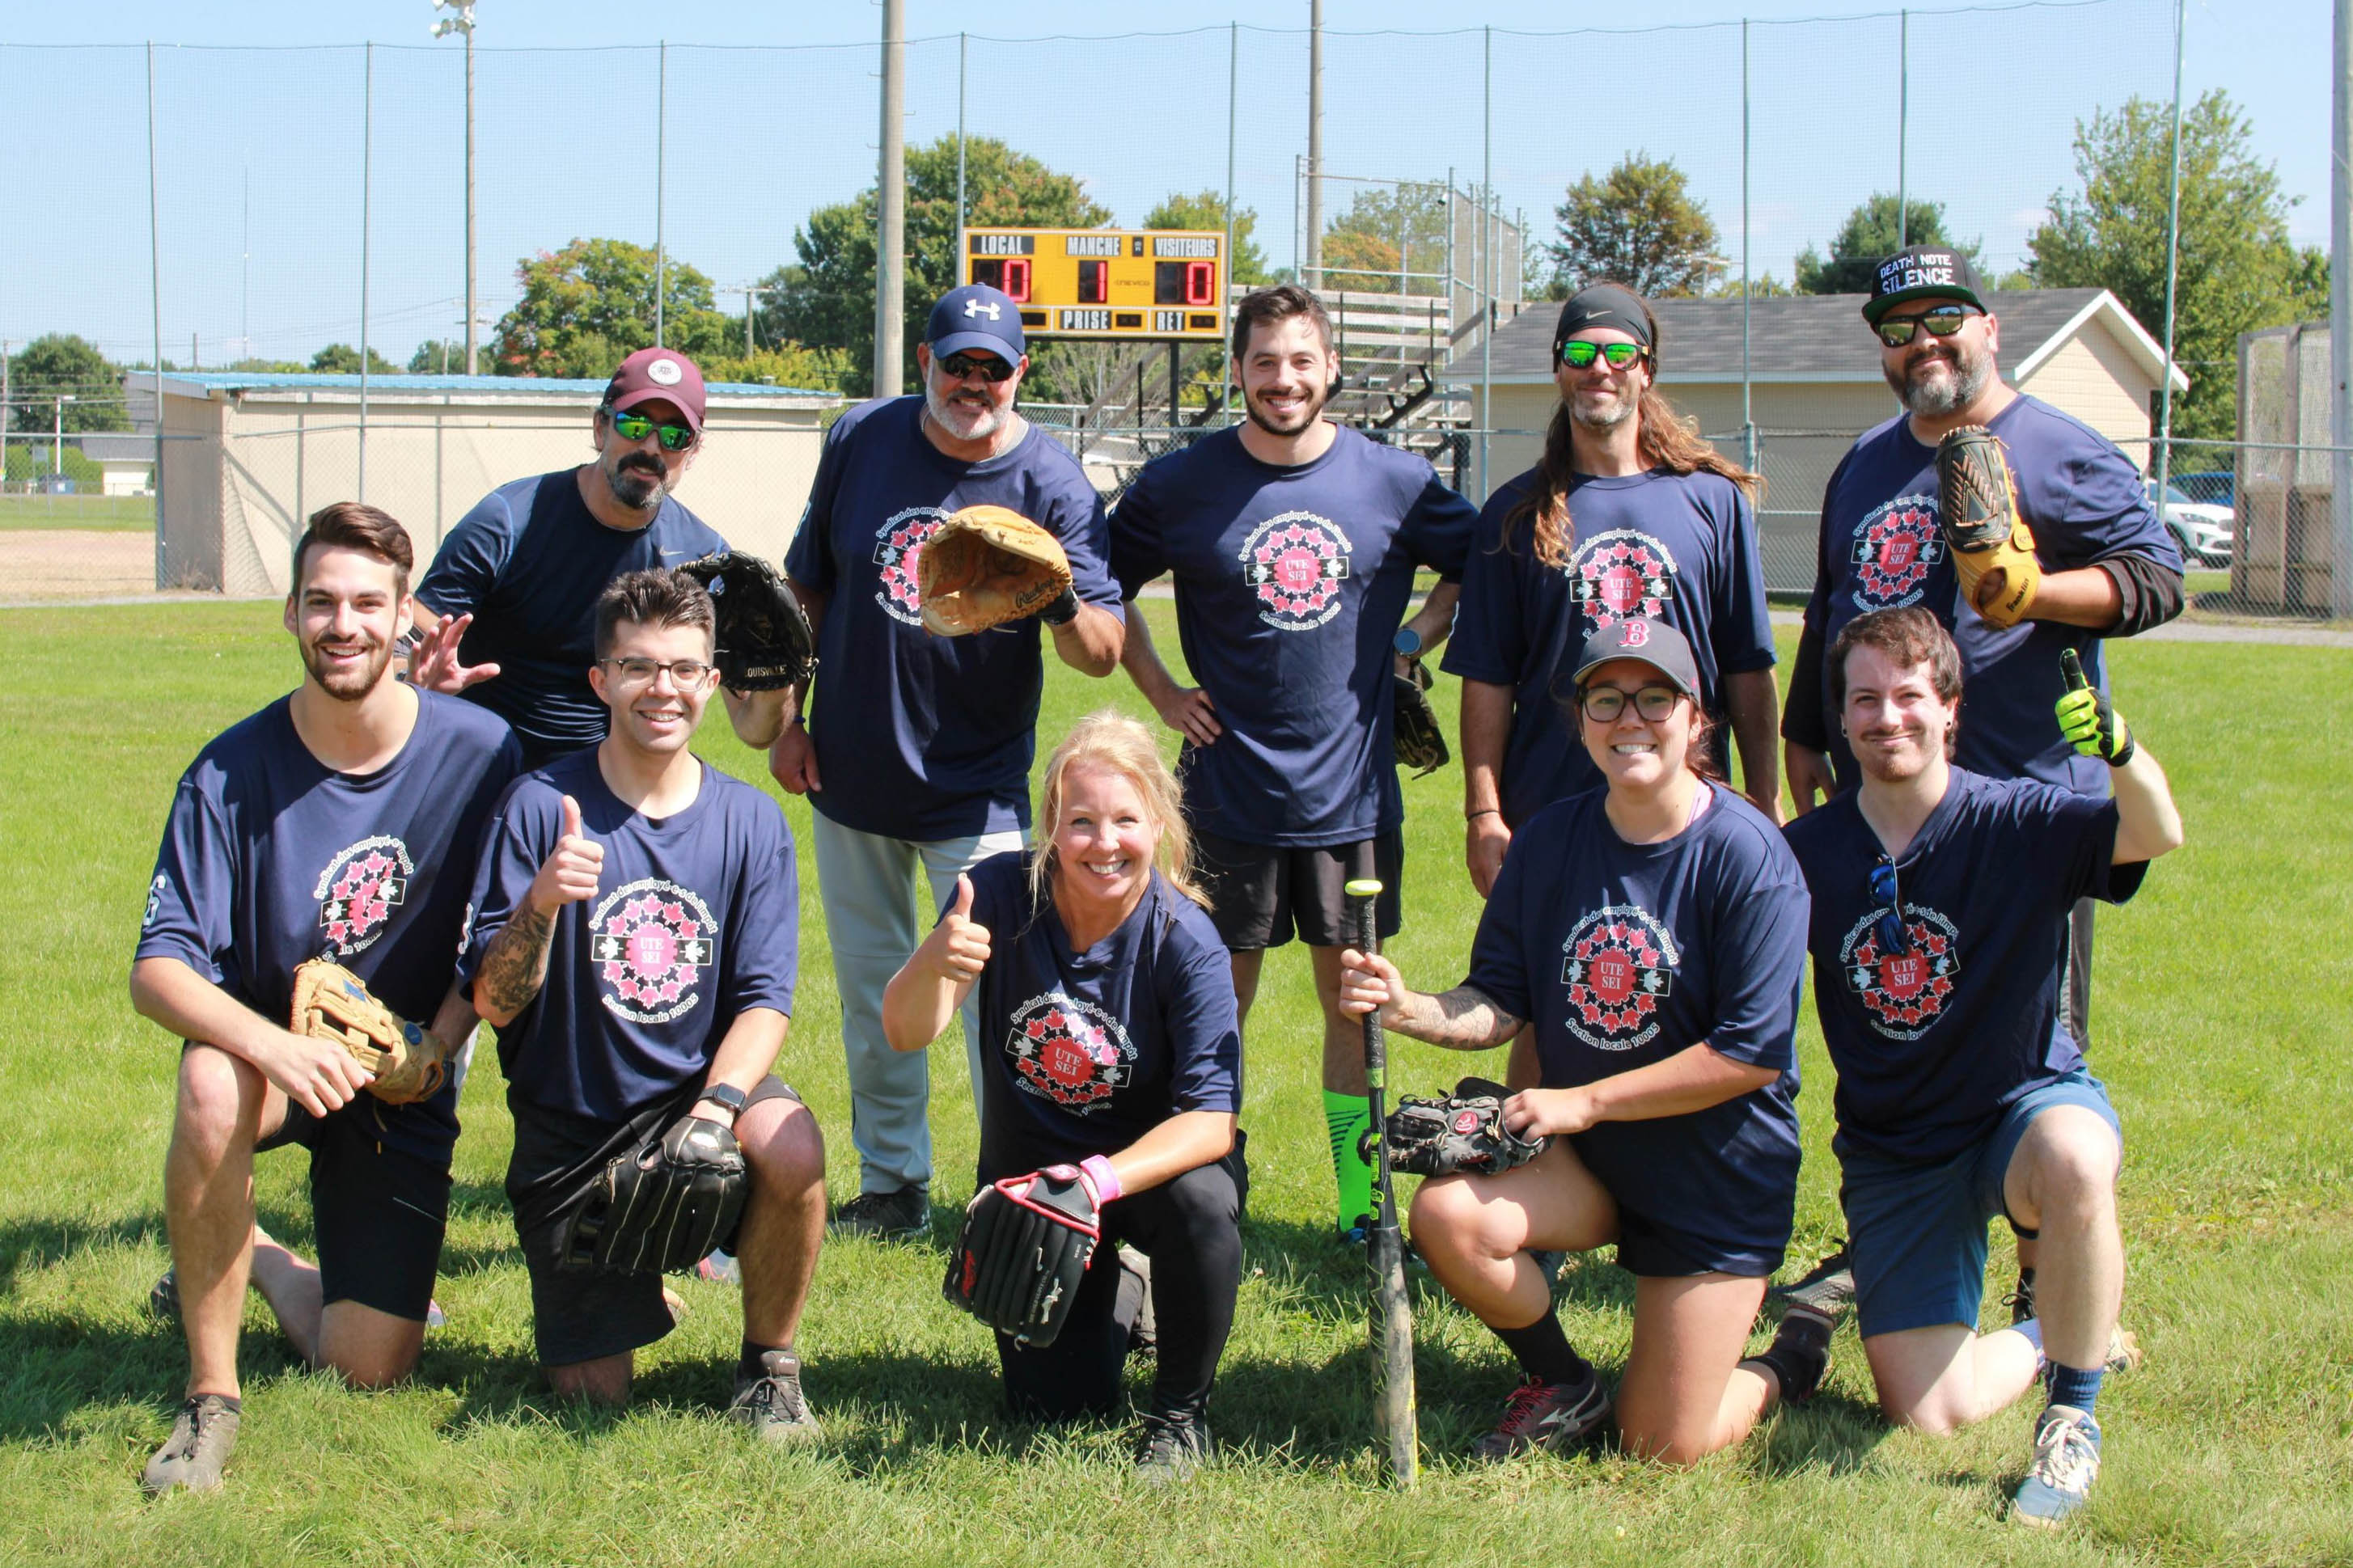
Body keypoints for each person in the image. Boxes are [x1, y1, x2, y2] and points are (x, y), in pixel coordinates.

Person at [1778, 246, 2186, 1320]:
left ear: (1990, 326)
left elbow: (2156, 578)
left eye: (1945, 318)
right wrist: (1805, 731)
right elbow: (1830, 606)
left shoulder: (2055, 451)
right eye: (1900, 326)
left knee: (2027, 1043)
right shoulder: (1865, 462)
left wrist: (2038, 589)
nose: (1925, 343)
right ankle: (1900, 1233)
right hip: (1885, 797)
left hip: (2020, 803)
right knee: (1889, 1010)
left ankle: (2046, 1275)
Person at [1338, 619, 1817, 1464]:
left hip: (1713, 1179)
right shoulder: (1552, 840)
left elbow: (1749, 1054)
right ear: (1582, 717)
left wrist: (1583, 1099)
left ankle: (1786, 1356)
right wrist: (1406, 1004)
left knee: (1663, 1445)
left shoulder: (1749, 856)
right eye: (1605, 698)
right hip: (1593, 1165)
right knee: (1447, 1213)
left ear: (1694, 717)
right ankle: (1562, 1378)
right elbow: (1497, 1002)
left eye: (1653, 697)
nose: (1628, 718)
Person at [130, 503, 523, 1494]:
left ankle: (247, 1250)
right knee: (211, 1086)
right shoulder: (229, 769)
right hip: (274, 1063)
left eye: (364, 603)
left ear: (406, 619)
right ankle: (209, 1398)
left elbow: (498, 943)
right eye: (318, 603)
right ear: (292, 614)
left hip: (395, 1082)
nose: (340, 624)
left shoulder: (480, 752)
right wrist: (275, 1048)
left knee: (369, 1368)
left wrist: (433, 1043)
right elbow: (160, 968)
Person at [1781, 606, 2182, 1527]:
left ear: (1950, 708)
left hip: (2017, 1112)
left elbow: (2151, 832)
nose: (1888, 719)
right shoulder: (1802, 856)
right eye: (1864, 700)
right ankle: (2065, 1333)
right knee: (1927, 1410)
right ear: (1839, 719)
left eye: (1910, 696)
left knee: (2078, 1156)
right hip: (1897, 1147)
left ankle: (2071, 1417)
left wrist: (2119, 750)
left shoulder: (2016, 818)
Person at [1111, 282, 1473, 1240]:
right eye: (1264, 361)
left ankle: (1361, 1207)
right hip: (1222, 794)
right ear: (1237, 371)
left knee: (1352, 1007)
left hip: (1348, 799)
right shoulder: (1182, 482)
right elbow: (1094, 579)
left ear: (1331, 369)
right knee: (1212, 1005)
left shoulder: (1392, 480)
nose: (1283, 379)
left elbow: (1474, 561)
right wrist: (1158, 689)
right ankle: (1209, 1186)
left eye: (1301, 360)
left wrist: (1414, 636)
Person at [768, 283, 1126, 1241]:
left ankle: (1005, 1187)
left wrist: (1051, 592)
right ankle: (891, 1182)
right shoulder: (861, 439)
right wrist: (790, 719)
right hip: (846, 775)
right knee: (874, 995)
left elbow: (1100, 648)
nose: (972, 383)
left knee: (995, 1000)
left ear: (1020, 375)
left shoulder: (1051, 480)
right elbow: (808, 587)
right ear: (923, 362)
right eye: (954, 363)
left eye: (992, 368)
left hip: (975, 789)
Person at [462, 568, 827, 1436]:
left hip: (690, 1108)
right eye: (636, 667)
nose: (660, 688)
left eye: (681, 668)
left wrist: (717, 1107)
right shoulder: (538, 809)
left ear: (711, 681)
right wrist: (542, 902)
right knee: (593, 1401)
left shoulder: (750, 822)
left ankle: (769, 1368)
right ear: (601, 681)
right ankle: (633, 1285)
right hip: (571, 1135)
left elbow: (765, 999)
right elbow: (494, 1001)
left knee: (792, 1142)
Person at [881, 711, 1244, 1482]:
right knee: (1056, 1408)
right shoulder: (997, 896)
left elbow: (1211, 1122)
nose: (1103, 843)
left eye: (1124, 820)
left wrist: (1098, 1181)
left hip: (1144, 1176)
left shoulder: (1186, 942)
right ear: (1049, 826)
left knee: (1204, 1204)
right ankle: (1124, 1290)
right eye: (1080, 822)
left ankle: (1180, 1414)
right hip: (1033, 1186)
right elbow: (905, 1032)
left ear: (1159, 824)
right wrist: (935, 965)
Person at [1446, 281, 1780, 902]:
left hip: (1689, 811)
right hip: (1549, 813)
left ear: (1645, 371)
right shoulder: (1514, 513)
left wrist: (1764, 798)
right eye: (1578, 354)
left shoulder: (1711, 502)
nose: (1598, 368)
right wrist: (1483, 813)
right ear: (1556, 368)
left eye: (1618, 353)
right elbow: (1487, 677)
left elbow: (1746, 666)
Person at [409, 346, 777, 766]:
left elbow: (753, 729)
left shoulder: (703, 556)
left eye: (676, 435)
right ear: (601, 427)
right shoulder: (509, 521)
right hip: (485, 767)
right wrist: (416, 679)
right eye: (634, 424)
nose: (652, 447)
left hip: (616, 786)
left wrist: (781, 677)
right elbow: (418, 635)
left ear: (692, 452)